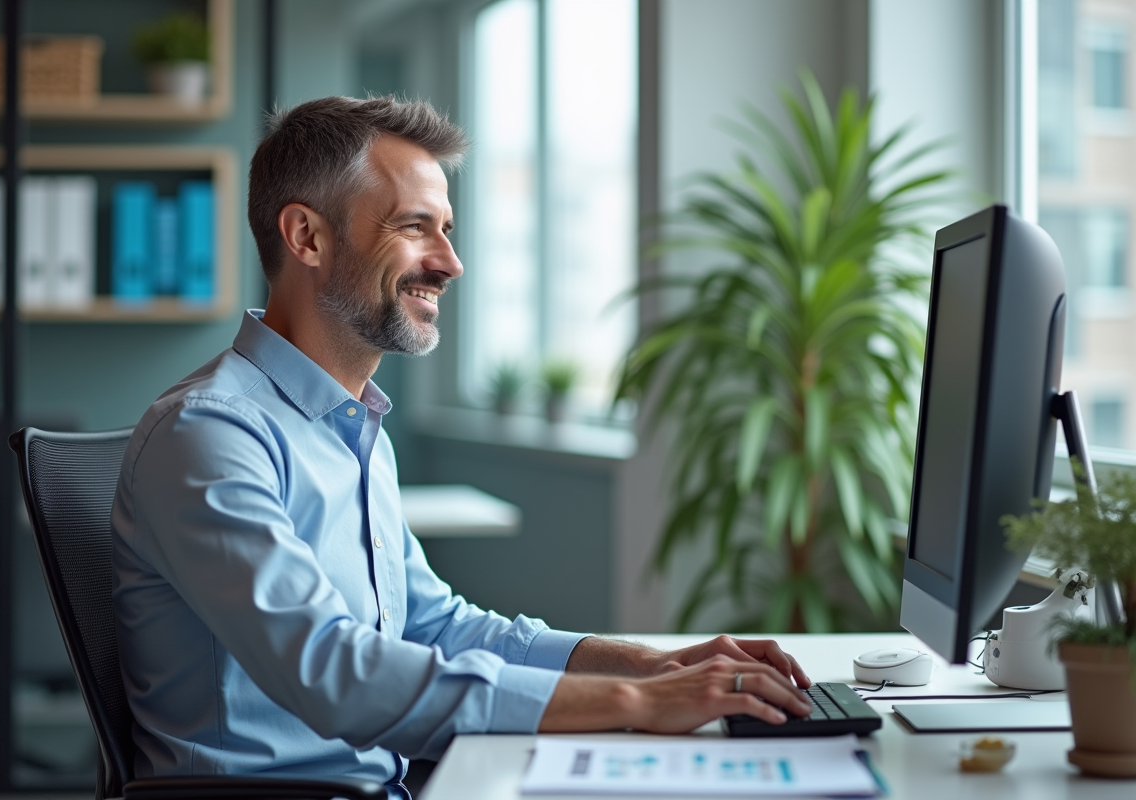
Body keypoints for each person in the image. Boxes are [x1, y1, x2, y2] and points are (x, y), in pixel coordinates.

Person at [111, 96, 813, 798]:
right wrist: (639, 706)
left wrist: (644, 667)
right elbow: (333, 673)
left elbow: (434, 625)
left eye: (446, 230)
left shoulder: (350, 426)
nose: (450, 263)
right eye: (416, 228)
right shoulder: (209, 434)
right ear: (308, 237)